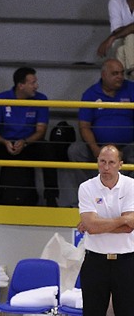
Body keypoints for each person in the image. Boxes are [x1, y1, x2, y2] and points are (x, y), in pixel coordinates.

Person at [0, 67, 59, 206]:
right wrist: (4, 142)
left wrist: (25, 142)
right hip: (5, 144)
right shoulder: (1, 98)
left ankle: (51, 198)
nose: (36, 86)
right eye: (33, 83)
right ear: (21, 85)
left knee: (48, 149)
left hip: (29, 144)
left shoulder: (41, 99)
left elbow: (41, 131)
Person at [77, 145, 134, 316]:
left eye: (111, 162)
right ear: (97, 162)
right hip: (95, 260)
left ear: (120, 164)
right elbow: (92, 227)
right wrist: (122, 219)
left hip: (127, 261)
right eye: (102, 162)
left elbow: (129, 227)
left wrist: (96, 224)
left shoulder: (131, 186)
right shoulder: (86, 187)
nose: (106, 167)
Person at [68, 59, 134, 184]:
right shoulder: (90, 94)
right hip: (99, 147)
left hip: (127, 146)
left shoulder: (131, 88)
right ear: (104, 75)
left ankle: (128, 196)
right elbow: (84, 126)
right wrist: (96, 149)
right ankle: (90, 193)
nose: (120, 77)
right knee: (75, 150)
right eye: (115, 74)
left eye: (121, 73)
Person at [97, 0, 134, 77]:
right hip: (123, 43)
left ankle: (127, 77)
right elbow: (117, 30)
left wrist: (111, 38)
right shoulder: (116, 2)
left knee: (130, 38)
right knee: (120, 48)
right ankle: (130, 74)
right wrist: (116, 36)